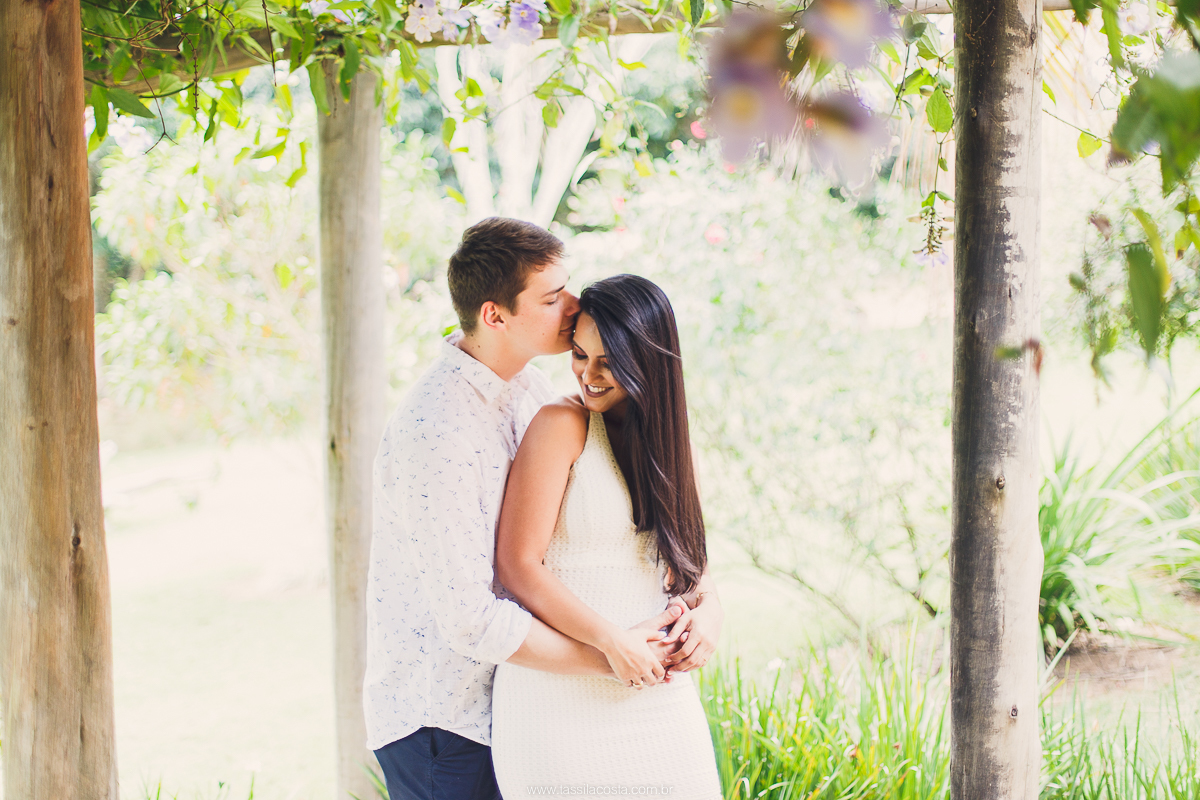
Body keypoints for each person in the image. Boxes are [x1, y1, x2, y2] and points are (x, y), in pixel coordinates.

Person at [364, 219, 715, 800]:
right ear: (494, 315)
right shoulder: (437, 430)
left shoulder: (526, 392)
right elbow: (471, 618)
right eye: (552, 298)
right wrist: (615, 653)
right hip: (444, 723)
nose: (573, 306)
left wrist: (700, 610)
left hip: (521, 699)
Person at [490, 274, 724, 798]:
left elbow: (692, 562)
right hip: (557, 706)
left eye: (608, 361)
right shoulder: (560, 423)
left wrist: (711, 612)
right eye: (579, 354)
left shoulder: (671, 441)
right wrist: (612, 641)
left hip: (657, 695)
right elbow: (518, 565)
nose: (588, 375)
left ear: (649, 361)